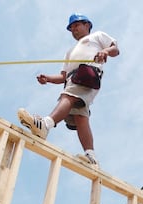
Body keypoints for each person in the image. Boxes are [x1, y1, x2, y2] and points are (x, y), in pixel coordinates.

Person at [18, 13, 119, 167]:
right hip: (73, 79)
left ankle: (45, 125)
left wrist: (105, 51)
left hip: (87, 74)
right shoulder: (69, 51)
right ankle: (91, 156)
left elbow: (115, 49)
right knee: (80, 118)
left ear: (87, 25)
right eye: (71, 28)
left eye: (76, 25)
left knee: (68, 97)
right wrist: (48, 79)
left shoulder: (97, 36)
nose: (74, 30)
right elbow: (62, 77)